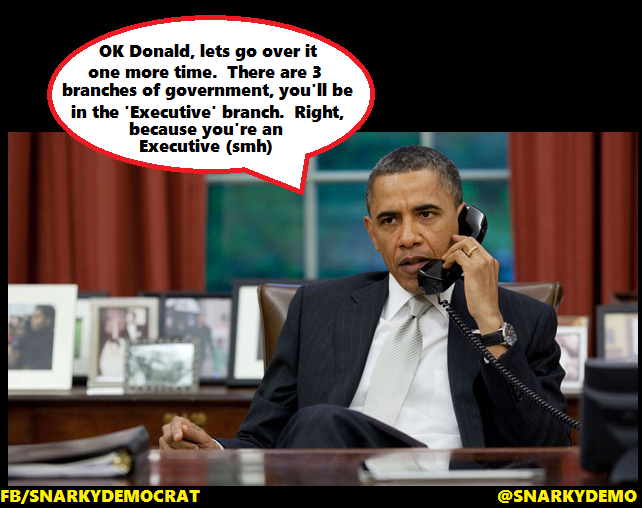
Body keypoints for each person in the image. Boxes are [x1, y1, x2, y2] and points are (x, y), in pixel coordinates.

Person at [160, 146, 571, 451]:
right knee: (320, 425)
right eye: (389, 221)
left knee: (320, 423)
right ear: (372, 233)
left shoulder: (522, 318)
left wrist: (490, 325)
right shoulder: (316, 311)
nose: (407, 237)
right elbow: (264, 440)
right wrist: (213, 452)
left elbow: (548, 449)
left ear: (464, 222)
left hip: (451, 479)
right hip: (333, 471)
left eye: (426, 214)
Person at [8, 305, 56, 370]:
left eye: (37, 317)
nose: (32, 320)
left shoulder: (51, 339)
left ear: (48, 320)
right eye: (32, 316)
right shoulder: (29, 335)